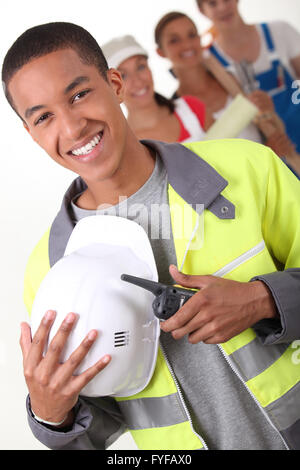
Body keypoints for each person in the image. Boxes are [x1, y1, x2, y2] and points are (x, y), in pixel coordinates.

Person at [2, 21, 300, 451]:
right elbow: (100, 426)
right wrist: (52, 415)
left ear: (115, 84)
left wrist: (262, 299)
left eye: (80, 94)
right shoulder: (50, 266)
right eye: (44, 117)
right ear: (32, 135)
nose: (71, 127)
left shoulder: (248, 170)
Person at [154, 11, 299, 167]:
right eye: (174, 40)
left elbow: (268, 132)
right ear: (160, 52)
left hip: (274, 176)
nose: (187, 44)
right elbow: (199, 173)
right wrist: (265, 154)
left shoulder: (230, 80)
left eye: (192, 35)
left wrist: (268, 112)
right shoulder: (177, 113)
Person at [196, 0, 300, 153]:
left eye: (226, 0)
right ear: (202, 10)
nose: (222, 7)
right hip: (272, 152)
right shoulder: (210, 64)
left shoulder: (279, 31)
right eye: (212, 3)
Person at [101, 35, 213, 143]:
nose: (138, 81)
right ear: (113, 87)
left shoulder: (191, 109)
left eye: (140, 67)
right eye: (123, 76)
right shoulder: (124, 146)